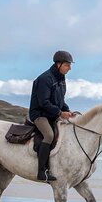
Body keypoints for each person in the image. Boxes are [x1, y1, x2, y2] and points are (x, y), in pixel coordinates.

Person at [29, 50, 76, 182]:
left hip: (52, 114)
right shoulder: (45, 79)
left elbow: (60, 101)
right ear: (58, 64)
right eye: (67, 65)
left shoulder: (61, 79)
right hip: (39, 114)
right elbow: (44, 103)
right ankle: (41, 171)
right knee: (49, 135)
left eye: (70, 65)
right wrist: (61, 113)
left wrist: (68, 111)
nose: (70, 68)